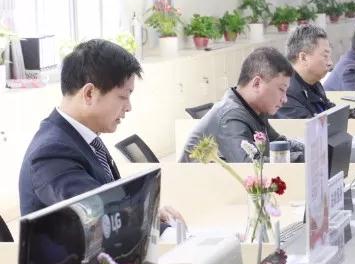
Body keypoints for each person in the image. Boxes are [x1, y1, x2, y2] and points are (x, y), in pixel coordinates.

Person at [19, 39, 183, 225]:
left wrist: (150, 215)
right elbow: (103, 216)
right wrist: (156, 225)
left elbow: (114, 205)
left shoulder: (83, 137)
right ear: (89, 94)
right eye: (123, 96)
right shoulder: (52, 152)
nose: (128, 107)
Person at [180, 47, 303, 162]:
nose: (285, 99)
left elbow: (279, 144)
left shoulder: (254, 109)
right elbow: (251, 165)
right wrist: (302, 158)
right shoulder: (230, 118)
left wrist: (306, 150)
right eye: (281, 89)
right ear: (257, 84)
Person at [275, 24, 335, 118]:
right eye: (325, 56)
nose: (330, 63)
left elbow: (328, 111)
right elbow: (305, 125)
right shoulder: (285, 92)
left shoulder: (313, 82)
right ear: (303, 57)